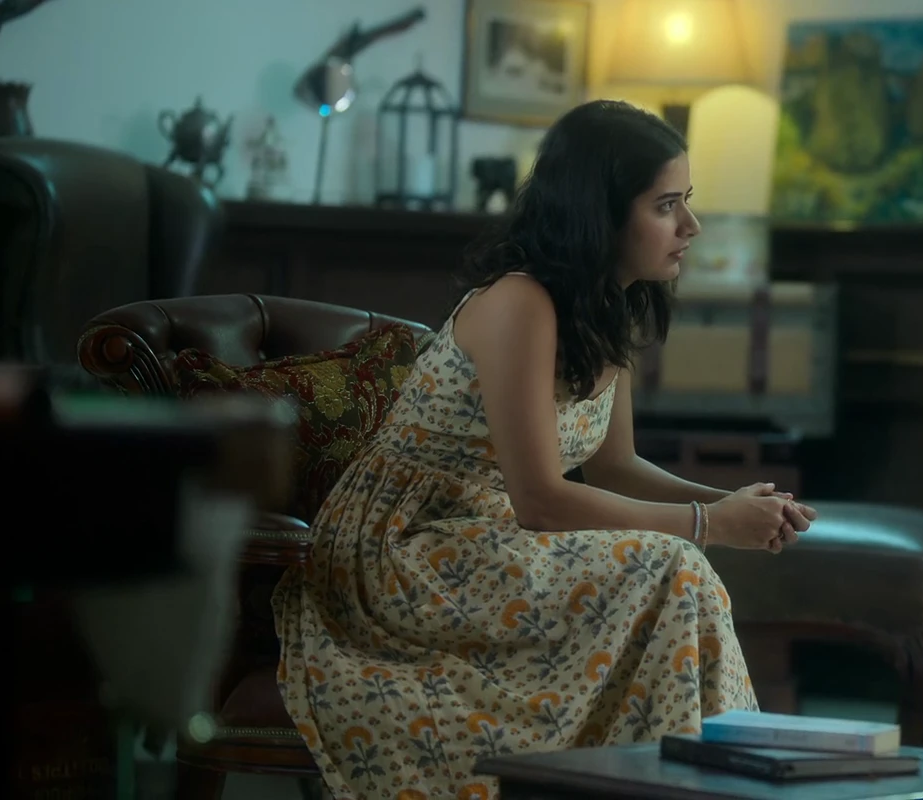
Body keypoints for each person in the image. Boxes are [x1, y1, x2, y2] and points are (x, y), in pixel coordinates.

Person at [272, 100, 816, 799]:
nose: (691, 225)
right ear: (599, 214)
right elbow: (540, 500)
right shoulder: (520, 302)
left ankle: (706, 785)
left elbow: (615, 467)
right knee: (677, 568)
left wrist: (735, 504)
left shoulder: (608, 308)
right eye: (666, 205)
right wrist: (710, 525)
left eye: (687, 201)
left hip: (492, 541)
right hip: (404, 548)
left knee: (677, 575)